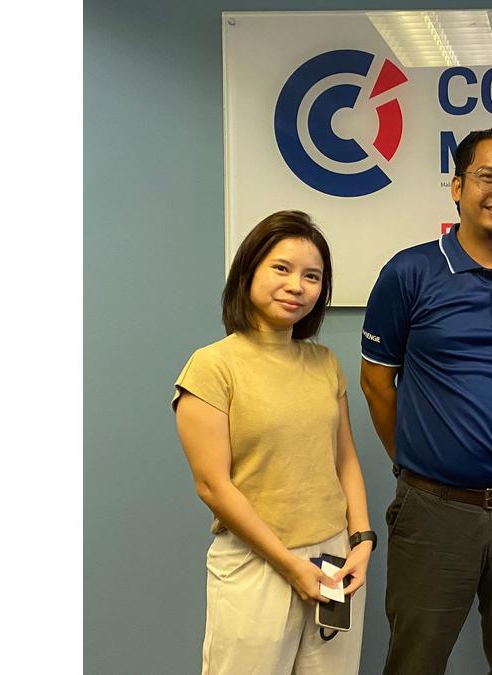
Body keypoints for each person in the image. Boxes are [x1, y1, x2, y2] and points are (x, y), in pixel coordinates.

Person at [359, 124, 492, 675]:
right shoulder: (409, 272)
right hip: (434, 512)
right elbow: (376, 382)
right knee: (415, 662)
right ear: (457, 187)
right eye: (488, 176)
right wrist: (414, 461)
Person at [173, 211, 374, 675]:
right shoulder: (212, 366)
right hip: (257, 562)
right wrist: (288, 564)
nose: (296, 286)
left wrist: (361, 541)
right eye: (281, 268)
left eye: (312, 276)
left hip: (334, 561)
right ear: (248, 272)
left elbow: (345, 460)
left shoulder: (325, 362)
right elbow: (212, 486)